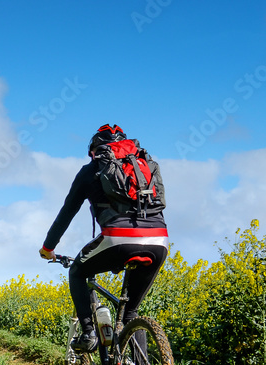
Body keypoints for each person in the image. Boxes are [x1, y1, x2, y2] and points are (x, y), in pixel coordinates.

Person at [39, 124, 169, 351]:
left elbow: (67, 213)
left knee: (77, 272)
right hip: (159, 240)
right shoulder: (144, 166)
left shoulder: (90, 170)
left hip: (117, 240)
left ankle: (89, 334)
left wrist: (48, 247)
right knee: (130, 313)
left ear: (94, 150)